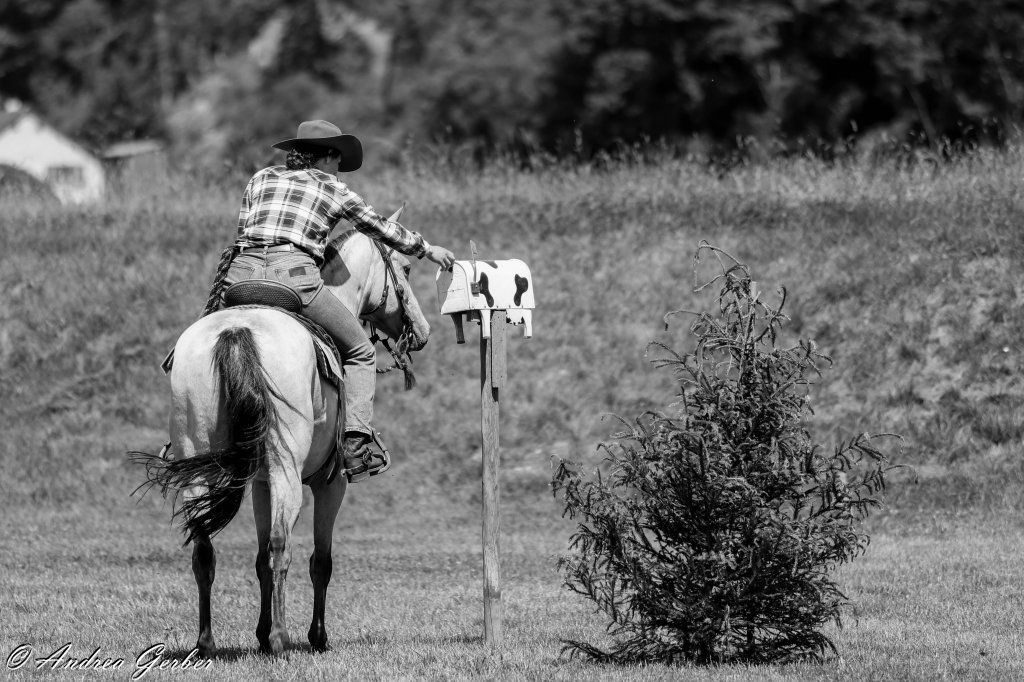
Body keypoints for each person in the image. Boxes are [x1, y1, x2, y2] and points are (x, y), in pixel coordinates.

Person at [220, 119, 455, 482]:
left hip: (241, 276)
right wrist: (426, 248)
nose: (339, 168)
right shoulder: (333, 187)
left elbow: (242, 236)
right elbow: (379, 227)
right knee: (361, 351)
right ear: (327, 156)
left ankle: (196, 439)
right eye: (338, 160)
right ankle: (355, 446)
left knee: (212, 342)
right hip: (293, 279)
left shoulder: (260, 178)